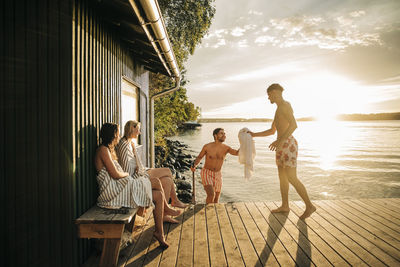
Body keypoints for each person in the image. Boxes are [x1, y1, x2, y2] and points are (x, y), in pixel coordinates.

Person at [95, 123, 179, 248]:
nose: (119, 136)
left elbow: (117, 173)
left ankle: (159, 232)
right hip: (112, 191)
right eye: (117, 133)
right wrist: (126, 175)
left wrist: (125, 175)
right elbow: (115, 174)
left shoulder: (108, 149)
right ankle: (166, 209)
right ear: (112, 135)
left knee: (159, 194)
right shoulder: (103, 150)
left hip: (119, 186)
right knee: (155, 181)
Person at [248, 83, 316, 219]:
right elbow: (272, 131)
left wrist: (280, 141)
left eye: (269, 95)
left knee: (291, 177)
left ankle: (309, 206)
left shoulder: (285, 106)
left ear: (275, 92)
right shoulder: (278, 109)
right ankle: (285, 205)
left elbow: (294, 125)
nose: (268, 98)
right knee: (282, 177)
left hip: (288, 145)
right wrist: (253, 134)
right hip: (281, 146)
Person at [116, 120, 187, 223]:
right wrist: (137, 169)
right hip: (136, 177)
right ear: (132, 128)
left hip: (140, 171)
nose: (139, 132)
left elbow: (134, 163)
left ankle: (164, 215)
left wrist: (137, 167)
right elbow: (127, 169)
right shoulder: (124, 144)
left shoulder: (129, 143)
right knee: (167, 171)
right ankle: (174, 201)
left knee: (167, 180)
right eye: (138, 130)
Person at [190, 128, 239, 204]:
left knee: (216, 198)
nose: (224, 135)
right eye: (221, 133)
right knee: (211, 195)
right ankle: (207, 212)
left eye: (224, 133)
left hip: (218, 174)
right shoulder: (207, 146)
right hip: (206, 173)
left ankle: (213, 214)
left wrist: (245, 142)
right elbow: (199, 157)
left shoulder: (226, 148)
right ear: (215, 136)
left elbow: (237, 153)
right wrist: (195, 165)